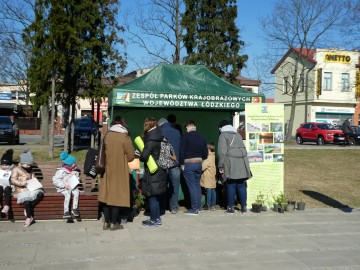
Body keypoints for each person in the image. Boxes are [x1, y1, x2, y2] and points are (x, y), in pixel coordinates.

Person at [98, 116, 135, 231]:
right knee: (116, 196)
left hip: (107, 170)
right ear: (123, 123)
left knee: (106, 196)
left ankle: (106, 223)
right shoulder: (124, 136)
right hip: (120, 170)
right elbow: (131, 155)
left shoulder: (107, 135)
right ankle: (114, 223)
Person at [217, 120, 252, 214]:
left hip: (231, 162)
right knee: (241, 184)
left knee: (231, 184)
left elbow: (222, 152)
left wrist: (220, 165)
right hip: (242, 162)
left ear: (221, 127)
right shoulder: (238, 134)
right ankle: (244, 207)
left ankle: (231, 207)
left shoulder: (223, 135)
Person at [139, 117, 167, 226]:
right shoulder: (160, 135)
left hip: (153, 170)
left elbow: (144, 156)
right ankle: (157, 218)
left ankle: (154, 219)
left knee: (152, 196)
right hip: (161, 168)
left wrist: (141, 154)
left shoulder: (151, 139)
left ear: (147, 125)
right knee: (157, 195)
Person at [180, 120, 208, 215]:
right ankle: (199, 207)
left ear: (188, 127)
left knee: (192, 186)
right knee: (196, 185)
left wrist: (181, 164)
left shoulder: (186, 136)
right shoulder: (202, 136)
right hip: (199, 163)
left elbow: (181, 151)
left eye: (186, 128)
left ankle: (194, 209)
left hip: (189, 163)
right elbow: (206, 153)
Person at [10, 149, 44, 227]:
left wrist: (35, 183)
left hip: (30, 188)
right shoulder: (16, 169)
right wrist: (22, 183)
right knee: (27, 201)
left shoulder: (30, 169)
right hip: (21, 189)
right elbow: (13, 180)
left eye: (30, 165)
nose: (28, 166)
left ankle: (28, 208)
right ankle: (29, 218)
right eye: (27, 164)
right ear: (22, 162)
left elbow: (33, 177)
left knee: (40, 194)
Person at [158, 117, 181, 214]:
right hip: (175, 163)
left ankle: (162, 207)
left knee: (162, 185)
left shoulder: (159, 132)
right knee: (174, 186)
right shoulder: (177, 132)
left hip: (163, 163)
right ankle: (174, 208)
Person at [52, 152, 81, 219]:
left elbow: (77, 177)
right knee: (68, 194)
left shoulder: (74, 170)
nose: (75, 164)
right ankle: (66, 211)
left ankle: (75, 209)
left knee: (76, 192)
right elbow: (55, 180)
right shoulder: (61, 171)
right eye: (74, 163)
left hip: (72, 186)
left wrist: (76, 178)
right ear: (69, 164)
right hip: (62, 188)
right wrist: (63, 185)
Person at [200, 143, 217, 211]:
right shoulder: (213, 156)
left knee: (208, 190)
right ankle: (213, 205)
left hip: (207, 177)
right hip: (212, 176)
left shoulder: (208, 158)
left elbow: (202, 167)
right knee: (213, 190)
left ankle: (208, 205)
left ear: (209, 150)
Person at [0, 149, 14, 215]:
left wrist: (11, 173)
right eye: (3, 165)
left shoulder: (13, 169)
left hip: (10, 186)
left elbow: (15, 179)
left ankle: (7, 206)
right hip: (1, 184)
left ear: (10, 165)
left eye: (6, 165)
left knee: (7, 189)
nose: (4, 166)